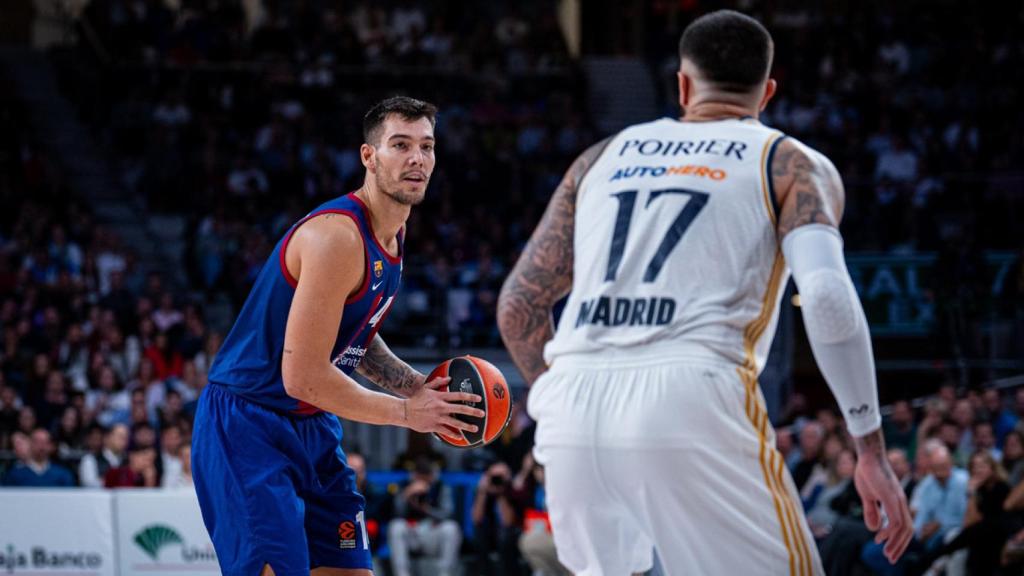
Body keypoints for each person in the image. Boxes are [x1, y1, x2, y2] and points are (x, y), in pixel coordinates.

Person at [497, 10, 913, 574]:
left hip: (571, 401)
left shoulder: (598, 159)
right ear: (766, 92)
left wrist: (575, 395)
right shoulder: (789, 161)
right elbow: (828, 300)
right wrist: (869, 450)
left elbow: (518, 307)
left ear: (683, 85)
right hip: (690, 391)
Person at [191, 96, 484, 576]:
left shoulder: (392, 234)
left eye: (427, 146)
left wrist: (413, 384)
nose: (417, 158)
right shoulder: (337, 237)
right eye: (401, 145)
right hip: (249, 423)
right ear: (369, 157)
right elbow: (303, 377)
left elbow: (354, 334)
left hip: (312, 426)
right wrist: (409, 412)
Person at [387, 457, 462, 576]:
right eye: (419, 476)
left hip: (432, 533)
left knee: (451, 528)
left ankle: (445, 573)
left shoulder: (440, 487)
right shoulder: (404, 486)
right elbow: (394, 513)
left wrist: (426, 509)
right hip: (411, 533)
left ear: (432, 476)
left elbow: (448, 514)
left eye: (426, 477)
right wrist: (407, 495)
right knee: (395, 527)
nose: (422, 480)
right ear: (413, 475)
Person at [2, 428, 75, 487]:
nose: (42, 447)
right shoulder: (14, 475)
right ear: (30, 444)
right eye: (37, 442)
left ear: (51, 446)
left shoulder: (63, 474)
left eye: (45, 442)